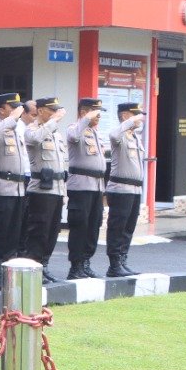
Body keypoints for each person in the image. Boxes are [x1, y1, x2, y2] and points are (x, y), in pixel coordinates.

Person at [0, 92, 31, 290]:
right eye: (13, 107)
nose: (18, 111)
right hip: (1, 189)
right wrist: (12, 119)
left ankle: (9, 274)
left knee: (14, 234)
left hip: (18, 189)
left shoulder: (18, 130)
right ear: (1, 110)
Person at [22, 96, 68, 282]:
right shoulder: (32, 129)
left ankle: (44, 266)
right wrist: (53, 121)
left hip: (57, 189)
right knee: (38, 232)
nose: (56, 113)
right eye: (52, 110)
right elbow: (34, 139)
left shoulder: (56, 134)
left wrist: (64, 192)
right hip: (41, 190)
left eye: (57, 110)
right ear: (40, 111)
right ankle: (33, 269)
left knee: (52, 231)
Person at [63, 98, 107, 279]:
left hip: (97, 186)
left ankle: (86, 261)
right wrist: (86, 118)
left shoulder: (95, 133)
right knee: (79, 226)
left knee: (94, 225)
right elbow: (74, 136)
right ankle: (76, 266)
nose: (99, 117)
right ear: (84, 112)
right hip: (81, 186)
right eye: (96, 113)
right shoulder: (74, 128)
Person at [105, 103, 147, 276]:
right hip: (120, 189)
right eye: (135, 115)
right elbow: (114, 134)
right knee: (118, 227)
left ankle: (122, 260)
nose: (140, 119)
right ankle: (114, 265)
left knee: (128, 228)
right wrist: (130, 122)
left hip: (134, 189)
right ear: (124, 116)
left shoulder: (134, 136)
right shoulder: (120, 135)